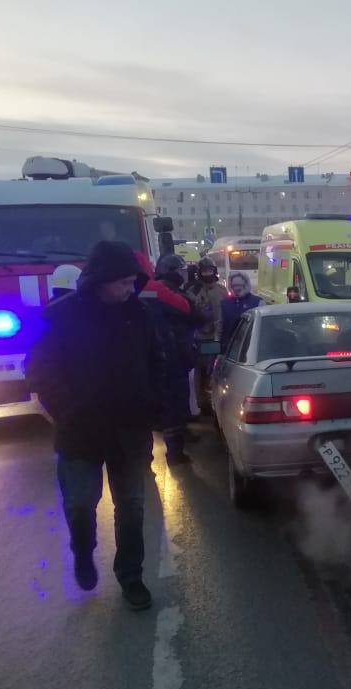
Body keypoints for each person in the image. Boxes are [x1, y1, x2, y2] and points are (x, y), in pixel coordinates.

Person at [26, 241, 163, 610]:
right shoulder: (61, 316)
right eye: (122, 283)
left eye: (133, 282)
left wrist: (156, 405)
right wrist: (67, 410)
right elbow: (39, 368)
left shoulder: (140, 314)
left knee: (132, 507)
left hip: (130, 432)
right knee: (81, 505)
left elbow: (156, 361)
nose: (129, 290)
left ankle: (131, 576)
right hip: (80, 434)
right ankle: (83, 551)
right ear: (100, 281)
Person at [146, 254, 199, 464]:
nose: (184, 275)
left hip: (160, 357)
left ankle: (157, 451)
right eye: (181, 271)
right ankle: (175, 453)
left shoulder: (147, 291)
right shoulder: (167, 293)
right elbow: (195, 315)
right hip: (172, 356)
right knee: (173, 404)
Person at [186, 257, 226, 413]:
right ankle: (201, 403)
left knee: (214, 371)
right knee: (199, 371)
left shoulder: (221, 290)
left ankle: (214, 401)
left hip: (217, 337)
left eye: (210, 270)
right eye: (204, 271)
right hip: (200, 337)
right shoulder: (193, 291)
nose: (207, 273)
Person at [221, 272, 262, 346]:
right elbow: (219, 328)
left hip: (251, 346)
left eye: (239, 285)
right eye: (234, 285)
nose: (237, 288)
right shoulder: (224, 304)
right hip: (228, 349)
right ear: (231, 286)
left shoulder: (258, 302)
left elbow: (263, 328)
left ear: (246, 284)